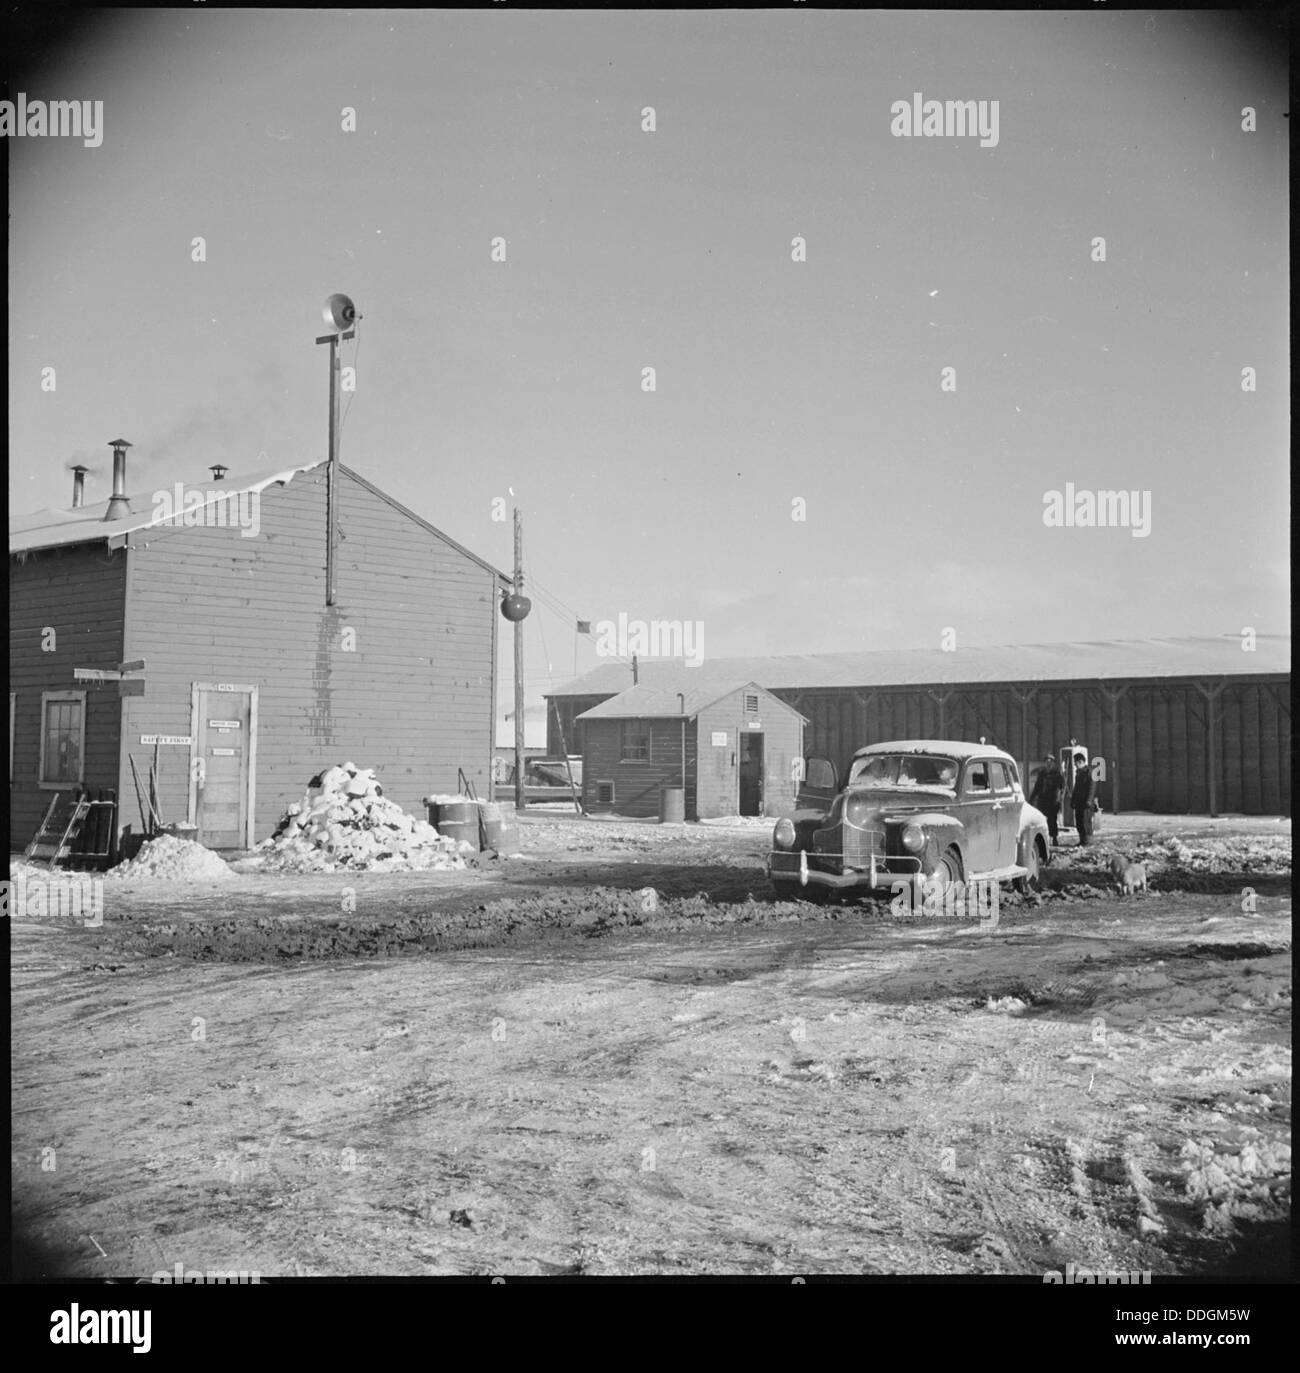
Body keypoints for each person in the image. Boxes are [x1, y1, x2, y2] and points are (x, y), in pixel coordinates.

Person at [1029, 753, 1063, 845]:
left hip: (1052, 801)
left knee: (1052, 820)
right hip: (1042, 800)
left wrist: (1057, 799)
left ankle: (1054, 838)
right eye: (1046, 761)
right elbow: (1037, 787)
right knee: (1042, 820)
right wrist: (1031, 798)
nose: (1048, 763)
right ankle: (1045, 839)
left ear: (1053, 763)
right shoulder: (1042, 773)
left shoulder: (1056, 773)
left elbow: (1059, 787)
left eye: (1050, 762)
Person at [1071, 749, 1095, 846]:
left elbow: (1092, 788)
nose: (1075, 765)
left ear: (1081, 762)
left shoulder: (1090, 772)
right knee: (1079, 822)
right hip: (1079, 803)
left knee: (1086, 823)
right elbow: (1076, 788)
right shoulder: (1079, 774)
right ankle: (1082, 840)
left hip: (1086, 803)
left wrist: (1089, 800)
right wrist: (1073, 800)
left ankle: (1088, 841)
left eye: (1076, 763)